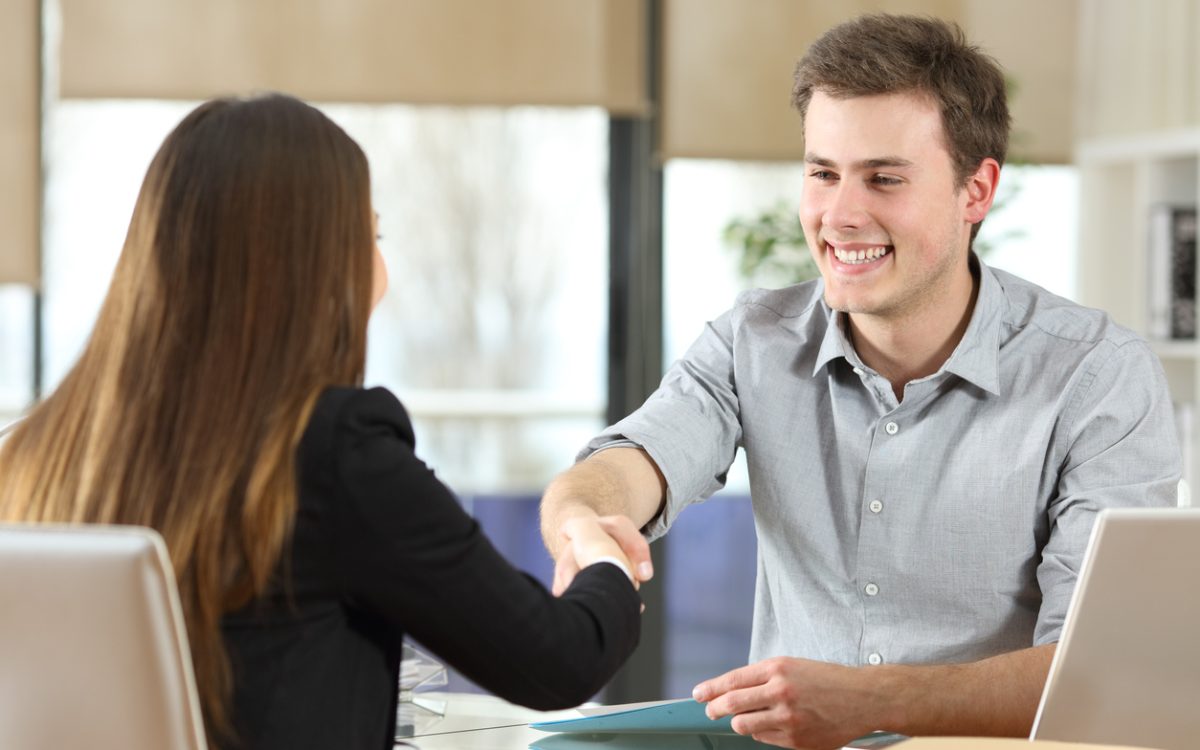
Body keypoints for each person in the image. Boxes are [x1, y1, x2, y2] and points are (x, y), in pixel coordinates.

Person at [540, 13, 1180, 750]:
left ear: (976, 191)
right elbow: (631, 463)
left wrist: (873, 702)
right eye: (822, 174)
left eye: (883, 178)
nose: (840, 216)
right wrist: (585, 520)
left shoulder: (1097, 376)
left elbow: (1095, 679)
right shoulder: (753, 340)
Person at [0, 93, 641, 750]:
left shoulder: (31, 456)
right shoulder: (333, 456)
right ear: (311, 265)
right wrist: (601, 557)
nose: (382, 274)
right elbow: (559, 659)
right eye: (372, 237)